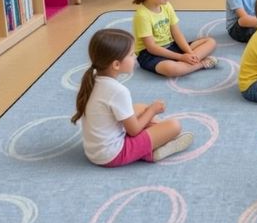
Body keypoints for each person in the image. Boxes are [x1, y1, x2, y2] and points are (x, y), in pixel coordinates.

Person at [71, 28, 193, 167]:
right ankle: (150, 150)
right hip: (113, 154)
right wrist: (153, 110)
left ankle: (155, 139)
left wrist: (148, 111)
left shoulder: (93, 79)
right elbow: (133, 131)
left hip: (94, 151)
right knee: (174, 126)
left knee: (140, 107)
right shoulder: (118, 91)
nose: (135, 56)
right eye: (130, 54)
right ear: (116, 64)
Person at [132, 0, 217, 77]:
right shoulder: (142, 16)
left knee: (210, 41)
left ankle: (189, 61)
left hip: (171, 46)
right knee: (171, 69)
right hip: (151, 54)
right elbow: (151, 47)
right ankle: (201, 64)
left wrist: (189, 53)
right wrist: (181, 57)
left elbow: (176, 33)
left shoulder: (166, 6)